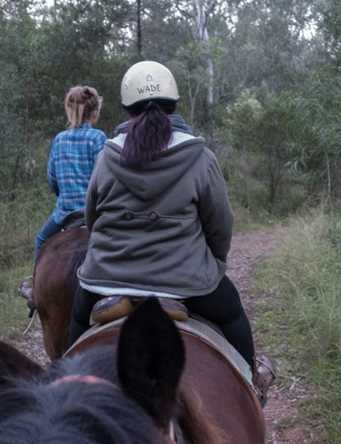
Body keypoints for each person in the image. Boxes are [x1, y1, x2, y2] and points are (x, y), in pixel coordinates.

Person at [69, 61, 262, 383]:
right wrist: (214, 261)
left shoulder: (108, 154)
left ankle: (61, 383)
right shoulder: (199, 155)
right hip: (184, 279)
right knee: (231, 314)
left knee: (76, 318)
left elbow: (92, 215)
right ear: (173, 104)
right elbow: (220, 223)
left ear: (128, 109)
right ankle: (250, 383)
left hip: (107, 277)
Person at [34, 85, 107, 260]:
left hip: (64, 214)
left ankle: (34, 284)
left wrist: (65, 193)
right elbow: (106, 178)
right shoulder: (98, 137)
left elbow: (52, 179)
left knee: (41, 239)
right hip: (94, 214)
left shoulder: (59, 139)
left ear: (69, 110)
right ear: (95, 112)